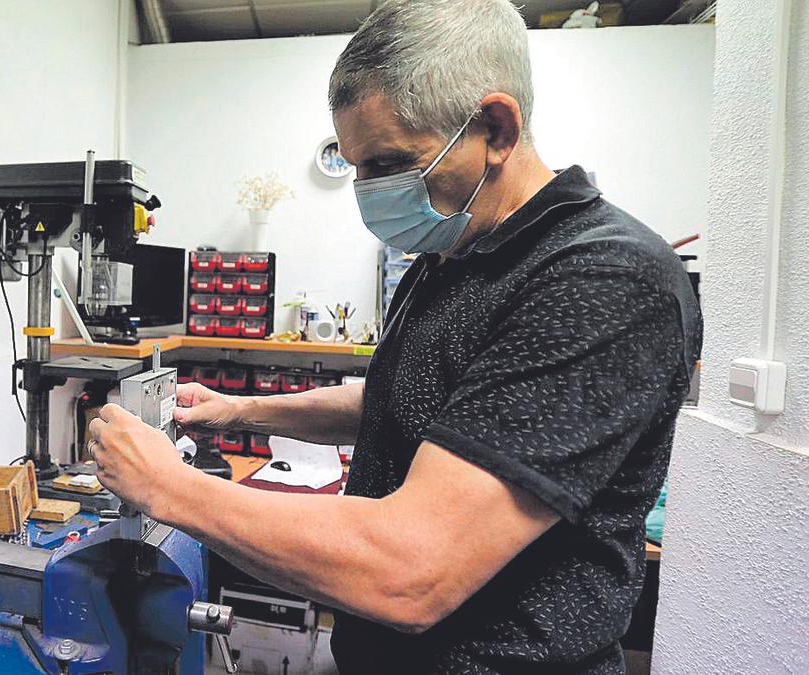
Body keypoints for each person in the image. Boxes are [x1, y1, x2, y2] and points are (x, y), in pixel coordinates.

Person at [86, 0, 702, 672]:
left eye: (386, 163)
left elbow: (412, 568)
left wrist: (168, 486)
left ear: (496, 127)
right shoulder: (454, 251)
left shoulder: (602, 278)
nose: (366, 191)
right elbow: (401, 397)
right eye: (355, 165)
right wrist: (239, 410)